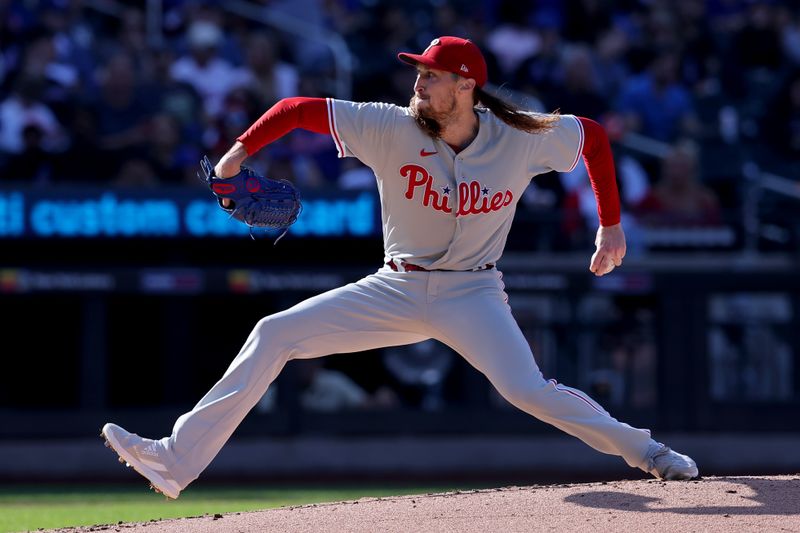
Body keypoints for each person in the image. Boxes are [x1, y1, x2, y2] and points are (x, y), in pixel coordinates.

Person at [102, 36, 698, 499]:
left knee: (527, 390)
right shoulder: (390, 124)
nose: (418, 81)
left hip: (474, 294)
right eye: (418, 71)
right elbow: (295, 109)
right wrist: (237, 153)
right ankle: (176, 461)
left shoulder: (519, 137)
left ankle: (647, 452)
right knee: (273, 333)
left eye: (430, 74)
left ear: (465, 85)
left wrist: (610, 223)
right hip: (395, 287)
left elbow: (592, 136)